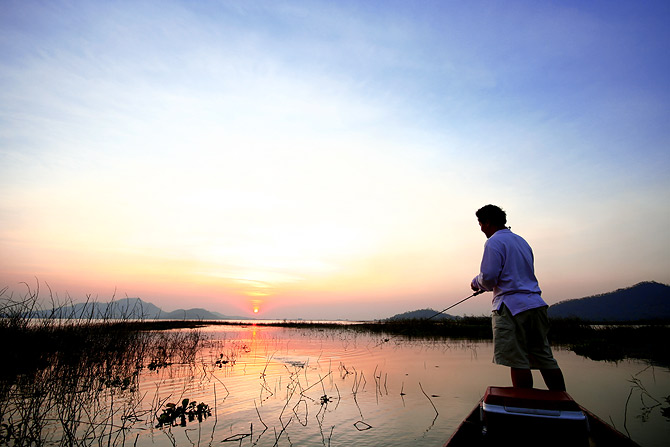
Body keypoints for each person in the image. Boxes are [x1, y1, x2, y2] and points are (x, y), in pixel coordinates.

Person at [470, 204, 566, 391]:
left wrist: (475, 283)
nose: (481, 229)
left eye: (480, 224)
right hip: (536, 305)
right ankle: (564, 403)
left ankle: (523, 406)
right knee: (545, 357)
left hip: (511, 308)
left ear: (487, 222)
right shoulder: (522, 242)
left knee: (518, 360)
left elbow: (489, 278)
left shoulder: (493, 242)